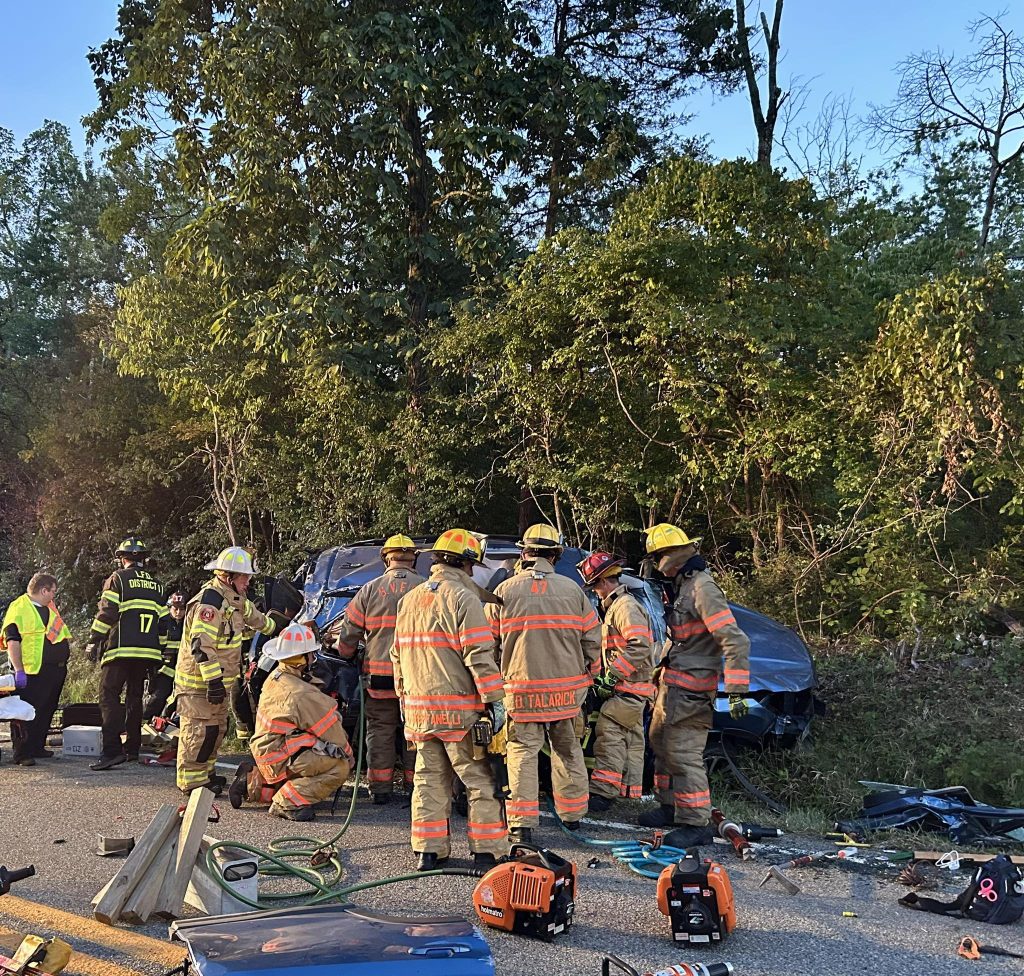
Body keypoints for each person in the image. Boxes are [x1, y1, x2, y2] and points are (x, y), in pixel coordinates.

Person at [392, 529, 507, 871]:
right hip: (459, 713)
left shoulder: (409, 600)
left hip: (419, 712)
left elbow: (397, 656)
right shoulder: (463, 598)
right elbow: (478, 655)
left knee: (428, 781)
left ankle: (429, 853)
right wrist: (495, 701)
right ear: (466, 564)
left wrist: (404, 701)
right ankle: (487, 853)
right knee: (479, 781)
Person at [486, 524, 601, 843]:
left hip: (521, 693)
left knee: (522, 754)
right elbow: (593, 641)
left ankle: (521, 825)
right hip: (567, 694)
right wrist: (590, 675)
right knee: (568, 751)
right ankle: (573, 816)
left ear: (524, 553)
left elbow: (487, 645)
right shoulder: (573, 591)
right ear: (556, 555)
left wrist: (494, 682)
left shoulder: (503, 592)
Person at [638, 524, 750, 845]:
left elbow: (735, 640)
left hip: (692, 691)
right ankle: (670, 805)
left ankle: (696, 822)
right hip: (672, 687)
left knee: (683, 753)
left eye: (657, 558)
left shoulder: (703, 589)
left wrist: (737, 690)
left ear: (670, 556)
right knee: (660, 742)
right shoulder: (682, 587)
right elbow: (678, 640)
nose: (655, 566)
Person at [174, 546, 285, 795]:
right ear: (228, 576)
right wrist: (213, 681)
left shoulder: (235, 600)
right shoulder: (211, 603)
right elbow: (202, 645)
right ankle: (191, 782)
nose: (248, 581)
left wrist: (283, 628)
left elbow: (259, 621)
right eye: (244, 576)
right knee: (199, 733)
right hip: (199, 685)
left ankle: (206, 775)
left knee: (215, 731)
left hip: (218, 683)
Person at [334, 534, 424, 804]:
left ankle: (380, 788)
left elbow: (348, 635)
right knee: (414, 731)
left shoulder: (370, 590)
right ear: (413, 559)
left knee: (380, 730)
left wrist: (347, 653)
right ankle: (415, 784)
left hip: (379, 679)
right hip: (416, 679)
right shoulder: (426, 588)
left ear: (386, 558)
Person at [232, 623, 353, 821]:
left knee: (309, 761)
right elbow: (332, 733)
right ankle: (286, 803)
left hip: (271, 752)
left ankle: (250, 782)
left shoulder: (277, 676)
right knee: (339, 766)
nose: (314, 657)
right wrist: (348, 754)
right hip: (278, 757)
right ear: (301, 659)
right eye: (311, 654)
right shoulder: (300, 693)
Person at [576, 552, 655, 814]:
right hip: (631, 688)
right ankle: (628, 791)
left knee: (609, 735)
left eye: (595, 586)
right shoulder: (617, 606)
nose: (594, 591)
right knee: (629, 740)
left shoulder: (624, 607)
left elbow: (639, 645)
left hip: (629, 687)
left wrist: (612, 676)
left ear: (604, 581)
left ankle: (603, 794)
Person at [85, 539, 168, 771]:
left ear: (123, 559)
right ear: (143, 559)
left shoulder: (118, 579)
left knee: (109, 696)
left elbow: (107, 613)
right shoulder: (158, 586)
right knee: (134, 698)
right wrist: (159, 653)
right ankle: (132, 748)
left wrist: (94, 639)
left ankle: (111, 751)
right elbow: (163, 625)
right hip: (147, 653)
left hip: (120, 650)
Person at [0, 573, 71, 766]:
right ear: (43, 590)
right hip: (32, 671)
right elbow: (13, 641)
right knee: (25, 713)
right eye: (53, 591)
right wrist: (19, 670)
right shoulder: (19, 608)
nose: (54, 595)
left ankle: (37, 746)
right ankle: (22, 753)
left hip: (54, 670)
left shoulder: (49, 607)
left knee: (47, 709)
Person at [144, 591, 185, 720]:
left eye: (182, 609)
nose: (178, 612)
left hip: (182, 671)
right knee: (157, 698)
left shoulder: (189, 623)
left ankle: (166, 724)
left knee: (177, 702)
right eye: (175, 608)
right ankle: (145, 721)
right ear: (169, 608)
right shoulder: (162, 623)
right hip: (163, 669)